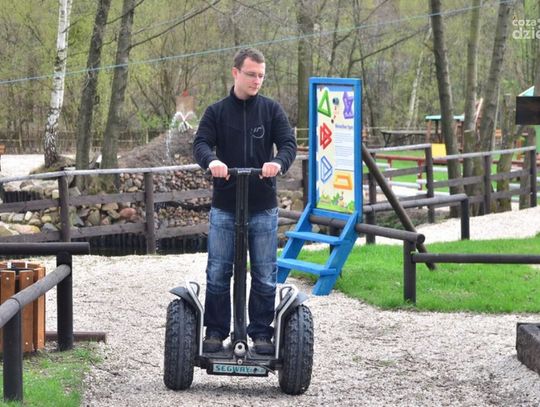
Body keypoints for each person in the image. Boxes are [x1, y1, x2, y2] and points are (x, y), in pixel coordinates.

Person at [193, 48, 296, 355]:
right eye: (251, 74)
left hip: (262, 205)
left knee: (264, 272)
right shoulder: (216, 112)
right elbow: (201, 143)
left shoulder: (271, 110)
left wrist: (277, 163)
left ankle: (261, 333)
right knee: (218, 271)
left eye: (261, 75)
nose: (257, 80)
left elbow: (288, 144)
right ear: (235, 73)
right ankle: (215, 331)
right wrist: (212, 161)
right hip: (225, 204)